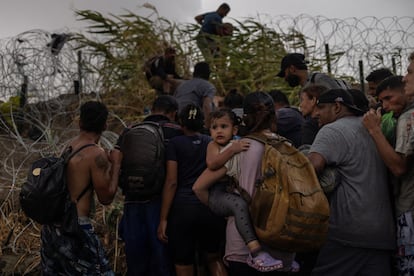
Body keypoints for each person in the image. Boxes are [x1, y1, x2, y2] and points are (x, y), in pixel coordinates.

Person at [193, 92, 300, 275]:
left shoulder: (240, 149)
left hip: (243, 249)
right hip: (282, 243)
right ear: (273, 116)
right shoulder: (287, 147)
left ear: (243, 120)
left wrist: (223, 208)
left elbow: (198, 187)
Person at [307, 89, 395, 275]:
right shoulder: (371, 128)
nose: (315, 114)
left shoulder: (332, 130)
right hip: (382, 234)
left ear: (337, 107)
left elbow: (309, 170)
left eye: (321, 108)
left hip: (347, 233)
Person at [41, 101, 123, 275]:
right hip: (76, 228)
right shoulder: (96, 154)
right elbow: (106, 198)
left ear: (80, 123)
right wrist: (116, 165)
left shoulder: (68, 147)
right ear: (105, 125)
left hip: (52, 228)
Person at [157, 104, 228, 276]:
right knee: (214, 258)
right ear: (203, 123)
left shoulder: (174, 144)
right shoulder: (211, 143)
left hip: (183, 210)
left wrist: (163, 219)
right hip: (209, 206)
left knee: (183, 262)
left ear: (180, 123)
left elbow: (172, 182)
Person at [118, 95, 182, 276]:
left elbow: (116, 160)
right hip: (162, 203)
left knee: (136, 260)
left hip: (131, 200)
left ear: (152, 109)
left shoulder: (129, 130)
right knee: (161, 259)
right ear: (173, 113)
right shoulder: (176, 131)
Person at [363, 67, 414, 274]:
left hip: (409, 209)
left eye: (388, 98)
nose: (384, 106)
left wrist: (374, 131)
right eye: (381, 101)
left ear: (404, 90)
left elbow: (398, 167)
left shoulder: (407, 119)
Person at [174, 61, 216, 128]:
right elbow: (207, 106)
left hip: (178, 120)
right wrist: (208, 127)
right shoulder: (208, 86)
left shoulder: (182, 85)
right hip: (193, 121)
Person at [276, 53, 350, 90]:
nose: (285, 78)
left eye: (285, 73)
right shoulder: (306, 88)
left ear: (292, 69)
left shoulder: (318, 80)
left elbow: (339, 98)